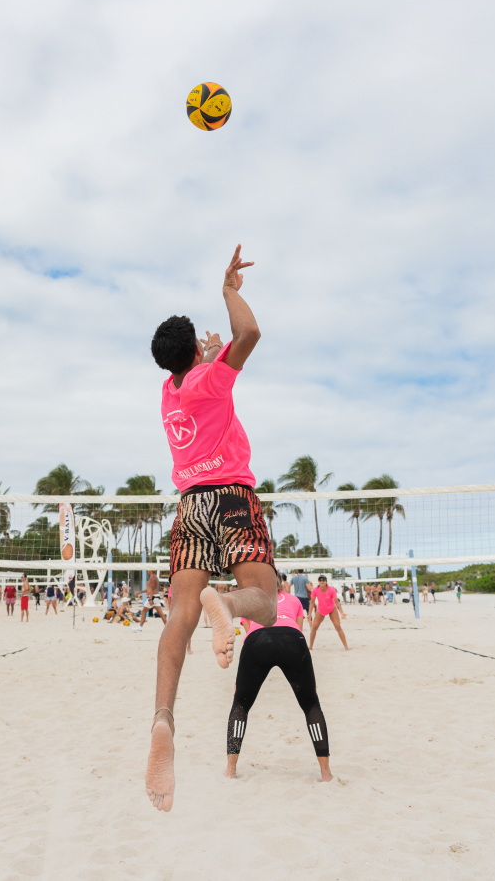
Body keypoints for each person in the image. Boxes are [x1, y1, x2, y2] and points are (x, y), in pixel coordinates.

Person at [144, 245, 277, 812]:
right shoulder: (210, 383)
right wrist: (228, 292)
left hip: (189, 505)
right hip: (230, 498)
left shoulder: (172, 390)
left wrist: (205, 349)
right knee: (267, 605)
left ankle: (163, 720)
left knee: (180, 614)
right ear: (192, 349)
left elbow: (210, 358)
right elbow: (249, 334)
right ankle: (227, 599)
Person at [226, 576, 332, 782]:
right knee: (311, 703)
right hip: (292, 640)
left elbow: (249, 633)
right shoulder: (293, 600)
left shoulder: (252, 601)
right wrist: (309, 677)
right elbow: (298, 631)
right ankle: (325, 773)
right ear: (282, 584)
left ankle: (231, 770)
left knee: (241, 703)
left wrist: (242, 678)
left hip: (258, 640)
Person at [308, 576, 348, 651]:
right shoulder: (315, 590)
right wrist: (309, 614)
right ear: (318, 582)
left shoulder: (331, 589)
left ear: (326, 582)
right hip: (320, 610)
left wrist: (341, 613)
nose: (322, 581)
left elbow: (337, 603)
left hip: (332, 608)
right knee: (314, 627)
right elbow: (312, 603)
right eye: (320, 580)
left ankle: (346, 647)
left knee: (338, 626)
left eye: (323, 580)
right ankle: (310, 647)